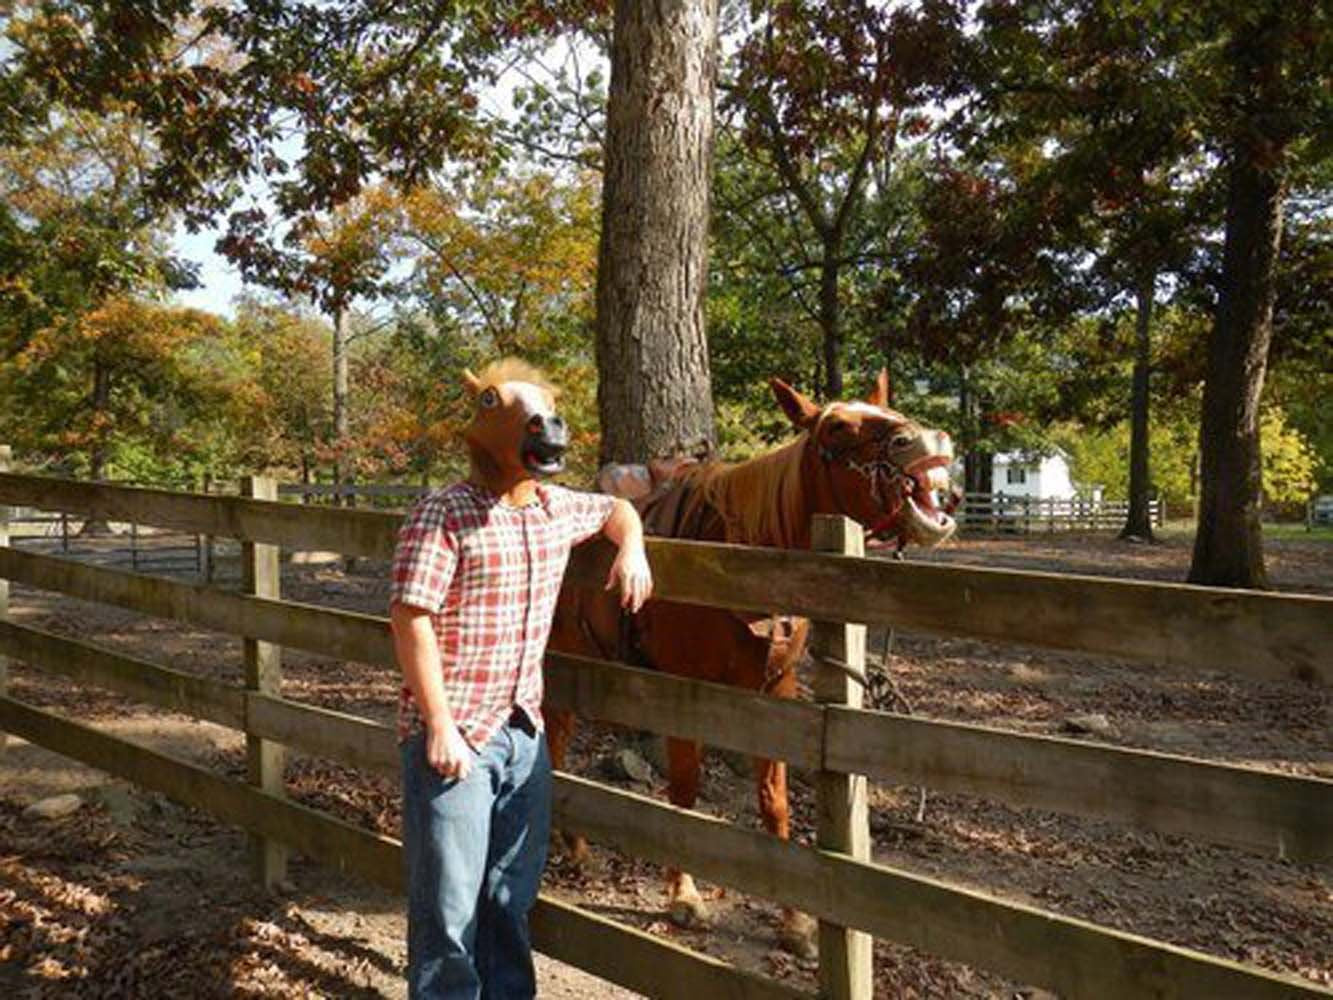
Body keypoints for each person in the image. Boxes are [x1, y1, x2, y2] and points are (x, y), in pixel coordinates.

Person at [390, 359, 652, 1000]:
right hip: (456, 738)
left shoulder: (554, 509)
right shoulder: (443, 514)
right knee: (448, 909)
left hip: (523, 730)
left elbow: (618, 507)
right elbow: (410, 617)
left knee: (510, 894)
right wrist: (440, 724)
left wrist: (634, 547)